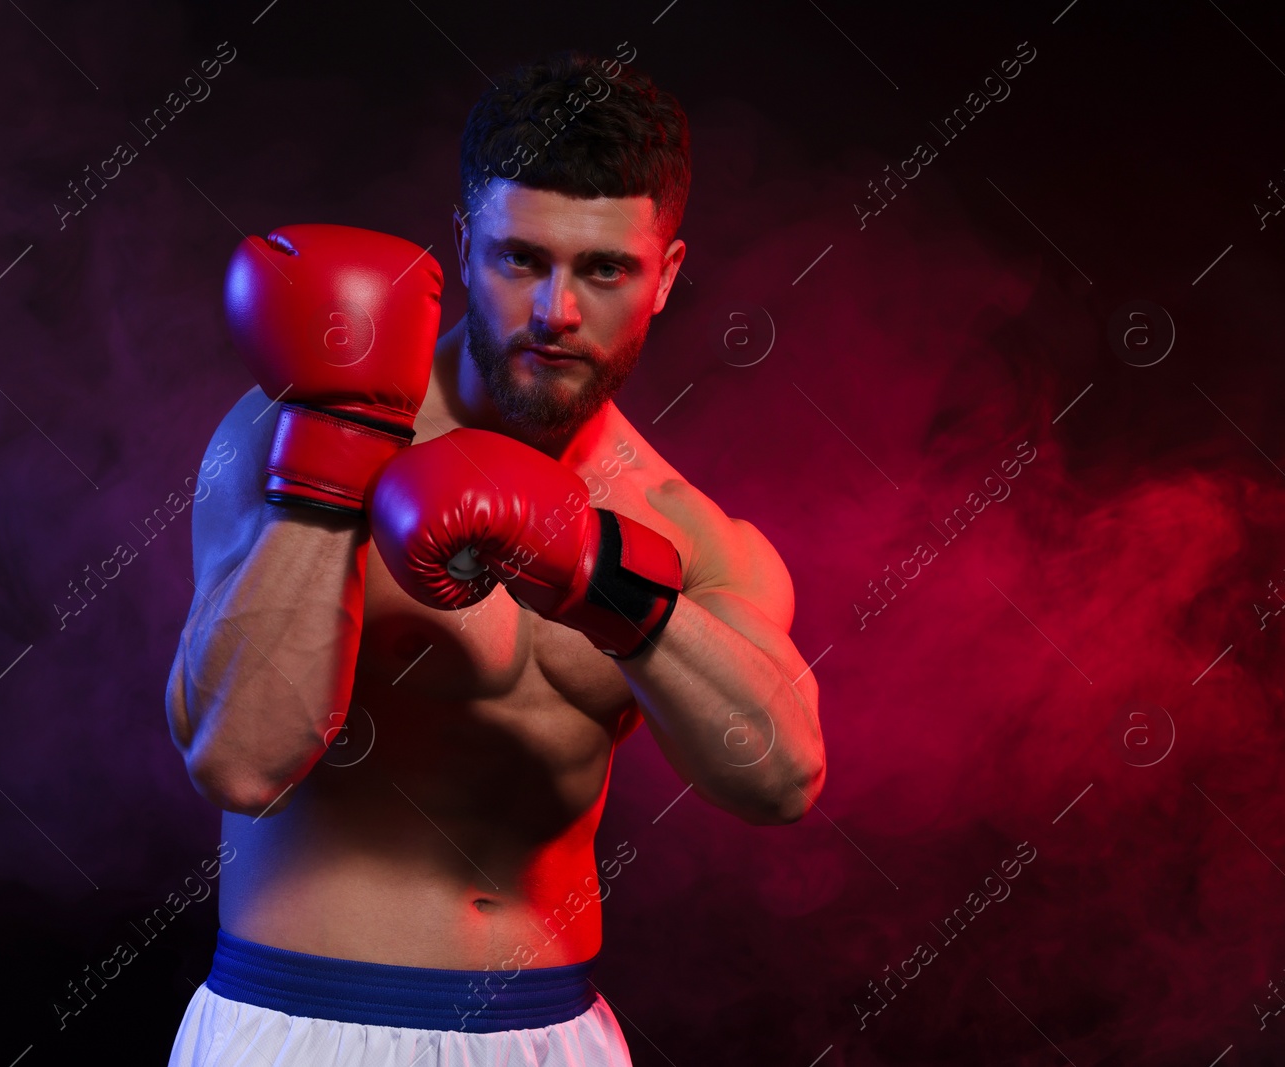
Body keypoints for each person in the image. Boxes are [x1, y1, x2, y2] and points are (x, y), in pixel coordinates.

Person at [165, 49, 825, 1066]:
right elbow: (238, 761)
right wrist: (335, 464)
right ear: (466, 246)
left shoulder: (685, 530)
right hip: (303, 1022)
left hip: (551, 1035)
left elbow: (780, 779)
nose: (555, 312)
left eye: (603, 269)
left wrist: (598, 572)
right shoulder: (287, 430)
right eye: (521, 258)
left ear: (666, 277)